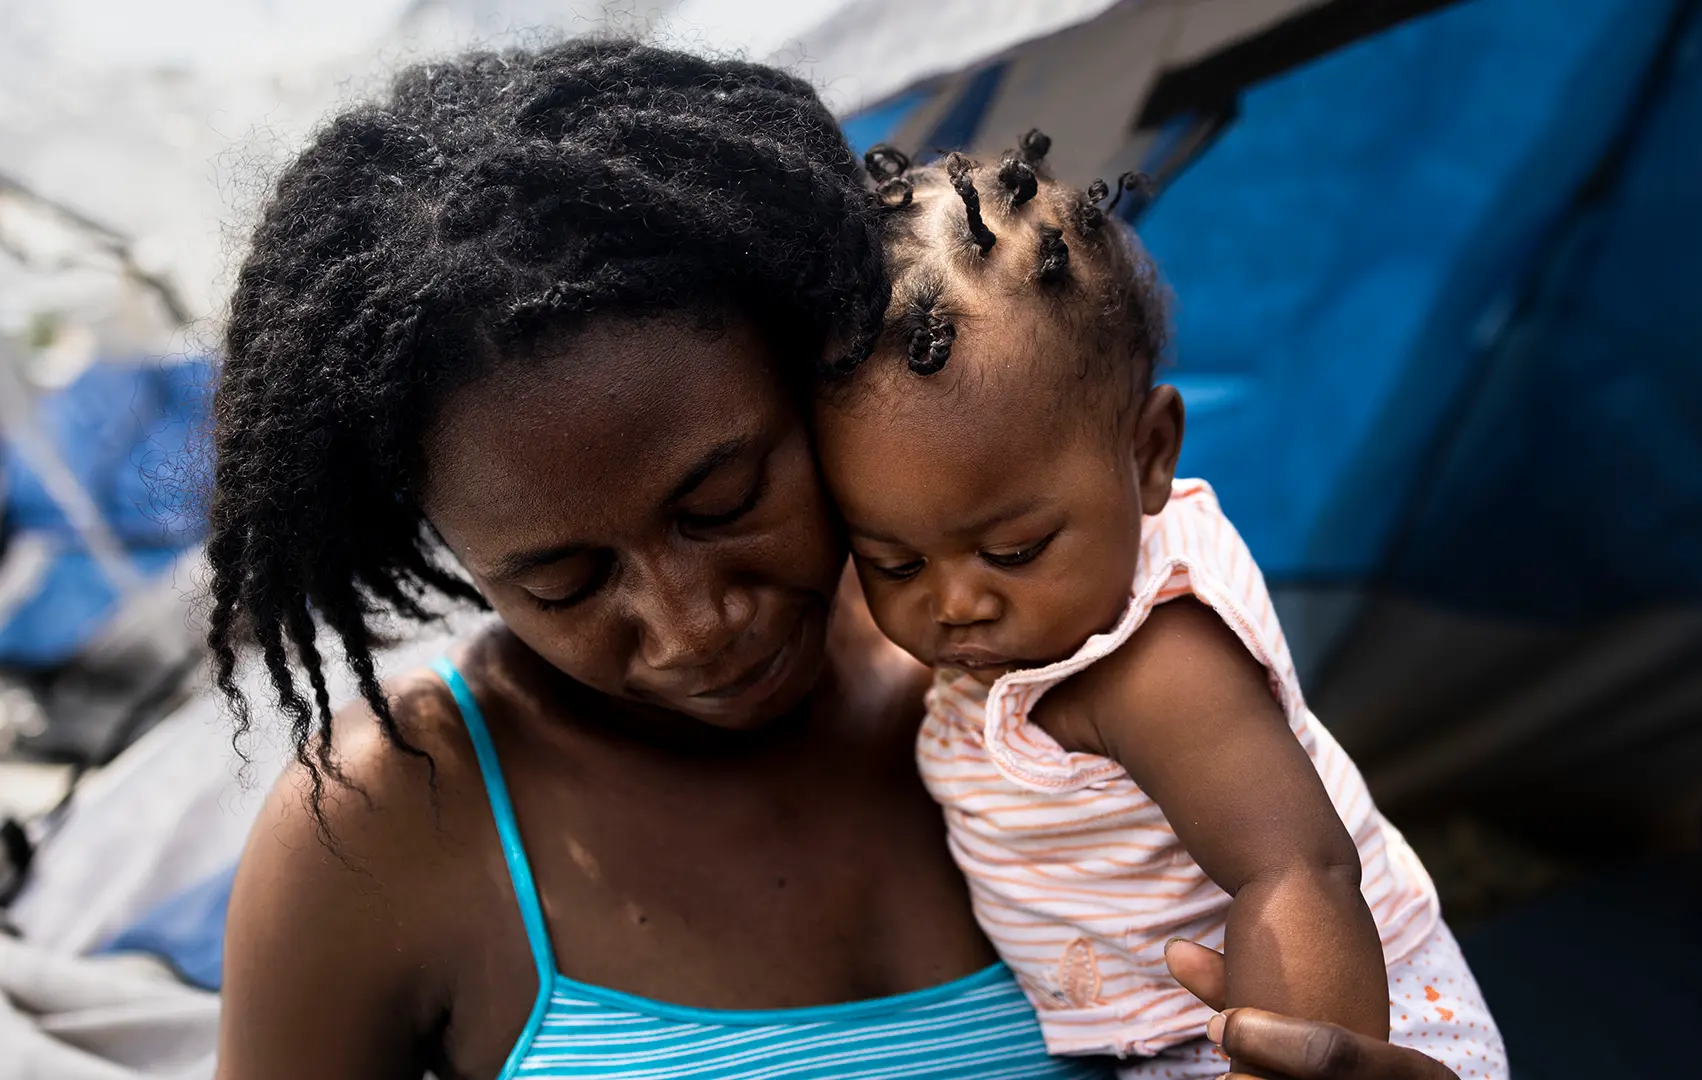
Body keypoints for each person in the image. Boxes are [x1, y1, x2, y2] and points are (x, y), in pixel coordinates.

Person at [205, 38, 1472, 1080]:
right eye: (567, 584)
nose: (693, 621)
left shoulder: (1009, 656)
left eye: (726, 498)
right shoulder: (390, 830)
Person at [811, 144, 1508, 1079]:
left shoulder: (1153, 661)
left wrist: (1292, 1059)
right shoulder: (1011, 637)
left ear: (1149, 455)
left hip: (1325, 1027)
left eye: (1014, 551)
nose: (958, 600)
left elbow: (1295, 869)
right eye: (892, 562)